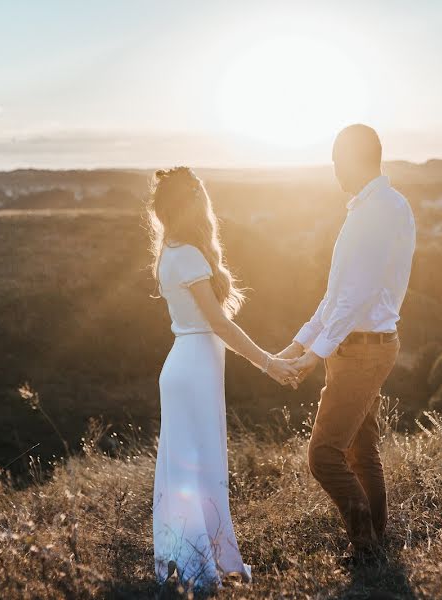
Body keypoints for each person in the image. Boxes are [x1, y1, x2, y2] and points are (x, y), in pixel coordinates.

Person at [147, 167, 297, 588]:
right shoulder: (190, 256)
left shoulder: (170, 253)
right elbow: (222, 326)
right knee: (201, 468)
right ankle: (201, 569)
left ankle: (191, 561)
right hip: (194, 367)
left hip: (183, 366)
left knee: (185, 470)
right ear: (194, 204)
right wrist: (269, 363)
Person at [278, 124, 416, 562]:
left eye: (337, 159)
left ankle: (365, 547)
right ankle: (377, 546)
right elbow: (335, 295)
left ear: (356, 159)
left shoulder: (380, 210)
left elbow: (355, 298)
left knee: (323, 456)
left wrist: (314, 354)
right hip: (358, 346)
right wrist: (299, 344)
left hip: (364, 348)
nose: (333, 169)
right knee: (360, 449)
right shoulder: (366, 208)